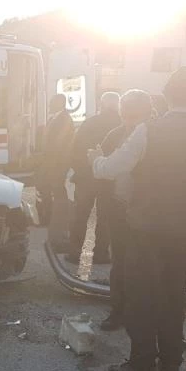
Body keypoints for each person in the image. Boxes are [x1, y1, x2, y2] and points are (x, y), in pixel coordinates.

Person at [88, 67, 186, 371]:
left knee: (142, 294)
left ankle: (141, 364)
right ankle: (171, 361)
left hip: (146, 227)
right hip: (185, 228)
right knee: (173, 294)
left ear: (165, 95)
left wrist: (95, 161)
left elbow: (115, 167)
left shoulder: (148, 130)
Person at [93, 90, 153, 331]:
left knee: (145, 264)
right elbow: (101, 171)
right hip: (118, 208)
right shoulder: (114, 135)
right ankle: (118, 310)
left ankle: (140, 312)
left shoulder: (155, 135)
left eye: (134, 116)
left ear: (147, 113)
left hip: (146, 211)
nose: (129, 121)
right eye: (125, 115)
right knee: (120, 262)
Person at [66, 92, 122, 264]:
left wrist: (80, 169)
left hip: (86, 177)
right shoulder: (121, 125)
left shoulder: (90, 122)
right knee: (105, 217)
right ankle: (101, 254)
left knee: (80, 215)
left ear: (101, 105)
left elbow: (75, 148)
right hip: (109, 178)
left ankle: (75, 252)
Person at [37, 94, 75, 248]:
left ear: (60, 103)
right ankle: (49, 220)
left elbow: (60, 144)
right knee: (45, 189)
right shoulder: (54, 118)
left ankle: (61, 230)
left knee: (59, 195)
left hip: (58, 164)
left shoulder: (65, 119)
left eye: (52, 102)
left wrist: (55, 165)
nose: (49, 105)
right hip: (50, 163)